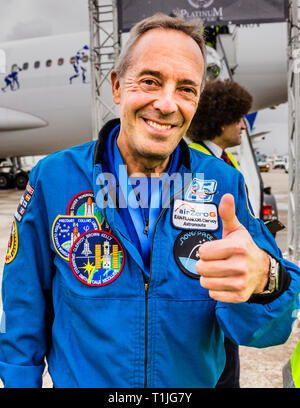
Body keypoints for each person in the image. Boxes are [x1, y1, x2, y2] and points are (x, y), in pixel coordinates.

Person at [0, 13, 299, 388]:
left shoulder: (222, 182)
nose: (167, 103)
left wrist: (265, 280)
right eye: (150, 81)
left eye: (186, 89)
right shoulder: (54, 178)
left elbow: (261, 332)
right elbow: (23, 309)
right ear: (117, 87)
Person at [187, 79, 253, 388]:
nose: (243, 126)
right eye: (238, 118)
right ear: (220, 119)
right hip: (207, 285)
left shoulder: (224, 159)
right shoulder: (199, 163)